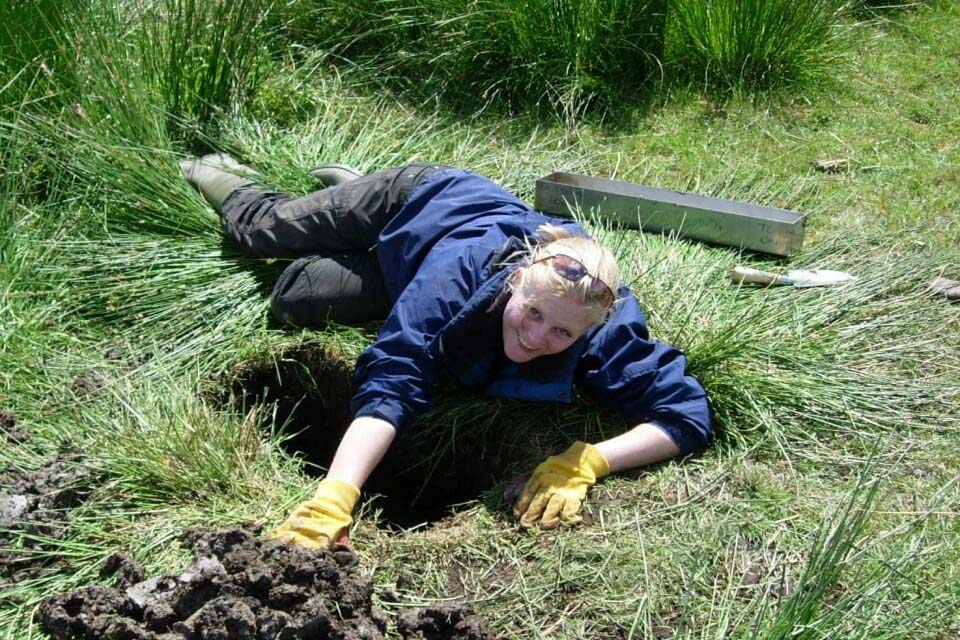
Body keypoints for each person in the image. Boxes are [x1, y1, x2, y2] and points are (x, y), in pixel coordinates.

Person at [180, 155, 713, 548]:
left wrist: (587, 462)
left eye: (561, 334)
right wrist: (333, 499)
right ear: (517, 280)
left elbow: (686, 415)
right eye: (532, 313)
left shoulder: (601, 323)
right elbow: (394, 378)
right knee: (264, 233)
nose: (537, 338)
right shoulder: (458, 277)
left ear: (591, 328)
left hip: (414, 259)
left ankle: (355, 221)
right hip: (421, 200)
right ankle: (220, 170)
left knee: (295, 297)